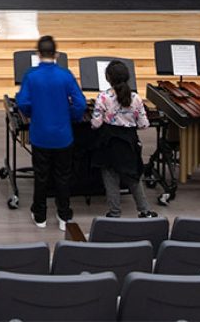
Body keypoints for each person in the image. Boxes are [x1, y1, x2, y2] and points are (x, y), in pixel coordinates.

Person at [16, 35, 86, 228]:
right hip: (63, 136)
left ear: (38, 54)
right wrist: (70, 116)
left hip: (40, 135)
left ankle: (40, 215)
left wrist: (33, 113)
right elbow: (80, 103)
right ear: (55, 54)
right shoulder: (65, 75)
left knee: (41, 176)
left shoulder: (31, 75)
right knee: (63, 176)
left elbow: (22, 103)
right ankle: (64, 215)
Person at [89, 60, 157, 219]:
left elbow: (96, 124)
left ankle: (114, 213)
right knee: (133, 176)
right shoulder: (136, 98)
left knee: (110, 178)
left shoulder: (103, 97)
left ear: (108, 78)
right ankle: (144, 210)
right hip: (128, 143)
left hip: (109, 143)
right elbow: (144, 124)